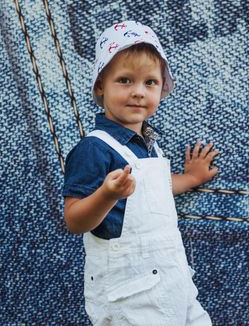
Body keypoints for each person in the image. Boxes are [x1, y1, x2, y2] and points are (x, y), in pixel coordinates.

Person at [63, 20, 219, 326]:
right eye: (124, 80)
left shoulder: (149, 145)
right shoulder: (94, 148)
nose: (138, 92)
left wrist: (191, 179)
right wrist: (107, 195)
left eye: (150, 82)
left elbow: (154, 190)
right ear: (100, 86)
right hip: (131, 295)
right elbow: (74, 219)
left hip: (175, 282)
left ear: (162, 88)